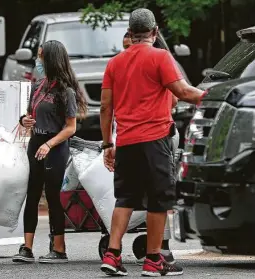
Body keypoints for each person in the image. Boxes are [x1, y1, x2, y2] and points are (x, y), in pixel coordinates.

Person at [100, 9, 206, 277]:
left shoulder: (114, 63)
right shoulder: (160, 56)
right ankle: (153, 259)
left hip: (125, 141)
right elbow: (182, 92)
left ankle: (112, 256)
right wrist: (215, 97)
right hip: (154, 140)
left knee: (125, 198)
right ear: (155, 32)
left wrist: (107, 144)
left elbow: (104, 107)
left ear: (130, 33)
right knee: (159, 200)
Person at [12, 40, 88, 264]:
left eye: (40, 56)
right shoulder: (37, 86)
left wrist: (49, 144)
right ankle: (26, 247)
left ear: (51, 59)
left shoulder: (66, 91)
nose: (38, 61)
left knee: (53, 195)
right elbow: (30, 114)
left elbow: (71, 127)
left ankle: (59, 248)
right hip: (36, 142)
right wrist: (24, 120)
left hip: (54, 146)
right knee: (32, 194)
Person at [122, 32, 179, 265]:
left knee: (158, 194)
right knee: (147, 194)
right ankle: (155, 248)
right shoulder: (156, 61)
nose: (129, 52)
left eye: (129, 46)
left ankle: (162, 249)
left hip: (159, 135)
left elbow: (175, 99)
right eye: (125, 47)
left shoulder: (161, 61)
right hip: (144, 136)